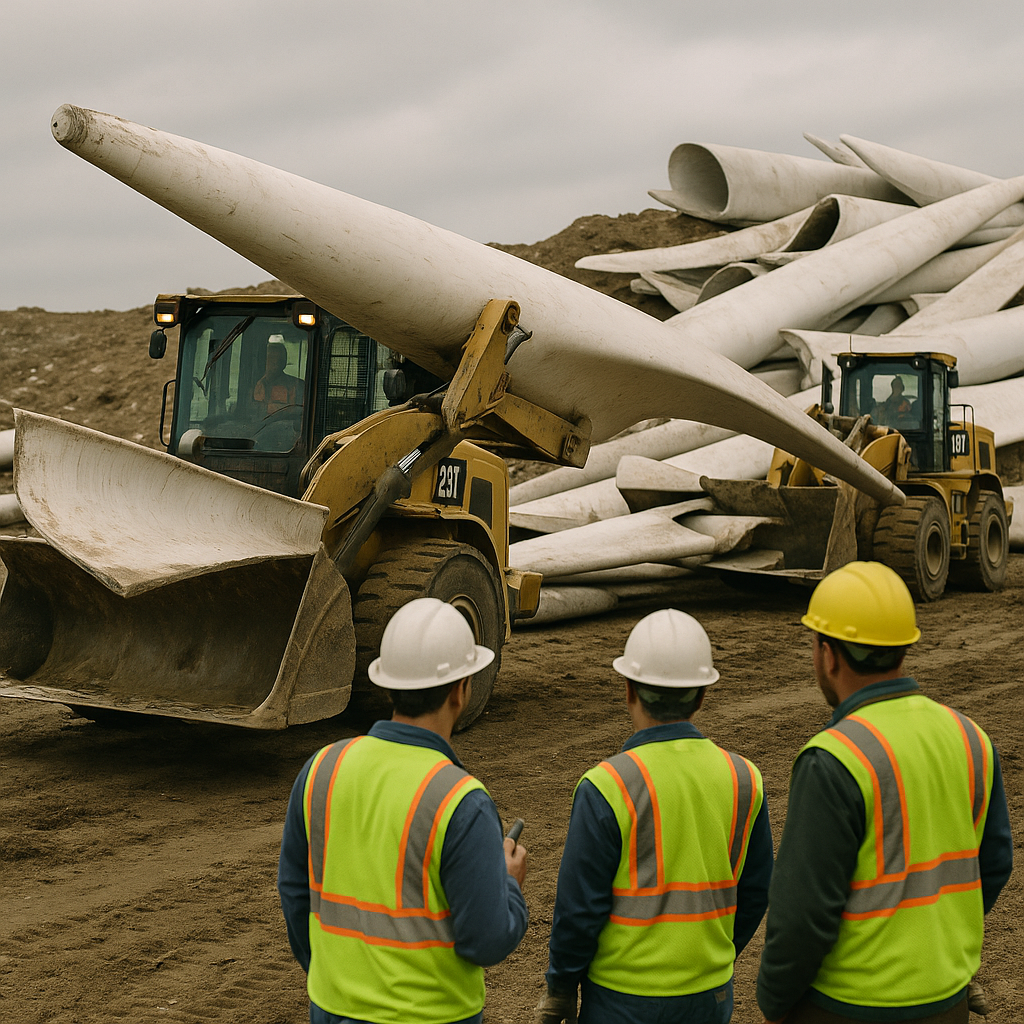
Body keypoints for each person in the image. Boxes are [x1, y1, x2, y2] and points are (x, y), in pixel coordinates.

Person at [757, 561, 1013, 1024]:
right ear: (901, 650)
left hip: (850, 1007)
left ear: (828, 654)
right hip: (946, 1002)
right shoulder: (971, 736)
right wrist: (940, 948)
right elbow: (993, 863)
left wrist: (774, 1001)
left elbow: (802, 917)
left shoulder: (833, 758)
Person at [277, 598, 528, 1024]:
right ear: (460, 689)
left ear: (387, 684)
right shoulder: (461, 800)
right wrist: (509, 886)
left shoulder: (321, 769)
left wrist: (333, 979)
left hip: (333, 1008)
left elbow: (295, 894)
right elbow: (485, 941)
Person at [537, 609, 773, 1024]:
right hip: (709, 994)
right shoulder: (745, 778)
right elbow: (756, 891)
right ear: (702, 695)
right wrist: (712, 956)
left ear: (629, 689)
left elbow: (579, 910)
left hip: (622, 998)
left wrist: (561, 986)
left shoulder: (606, 785)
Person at [254, 338, 304, 416]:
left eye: (279, 359)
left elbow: (299, 411)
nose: (275, 362)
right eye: (271, 358)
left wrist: (266, 408)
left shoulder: (297, 385)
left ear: (284, 362)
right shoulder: (254, 385)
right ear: (263, 360)